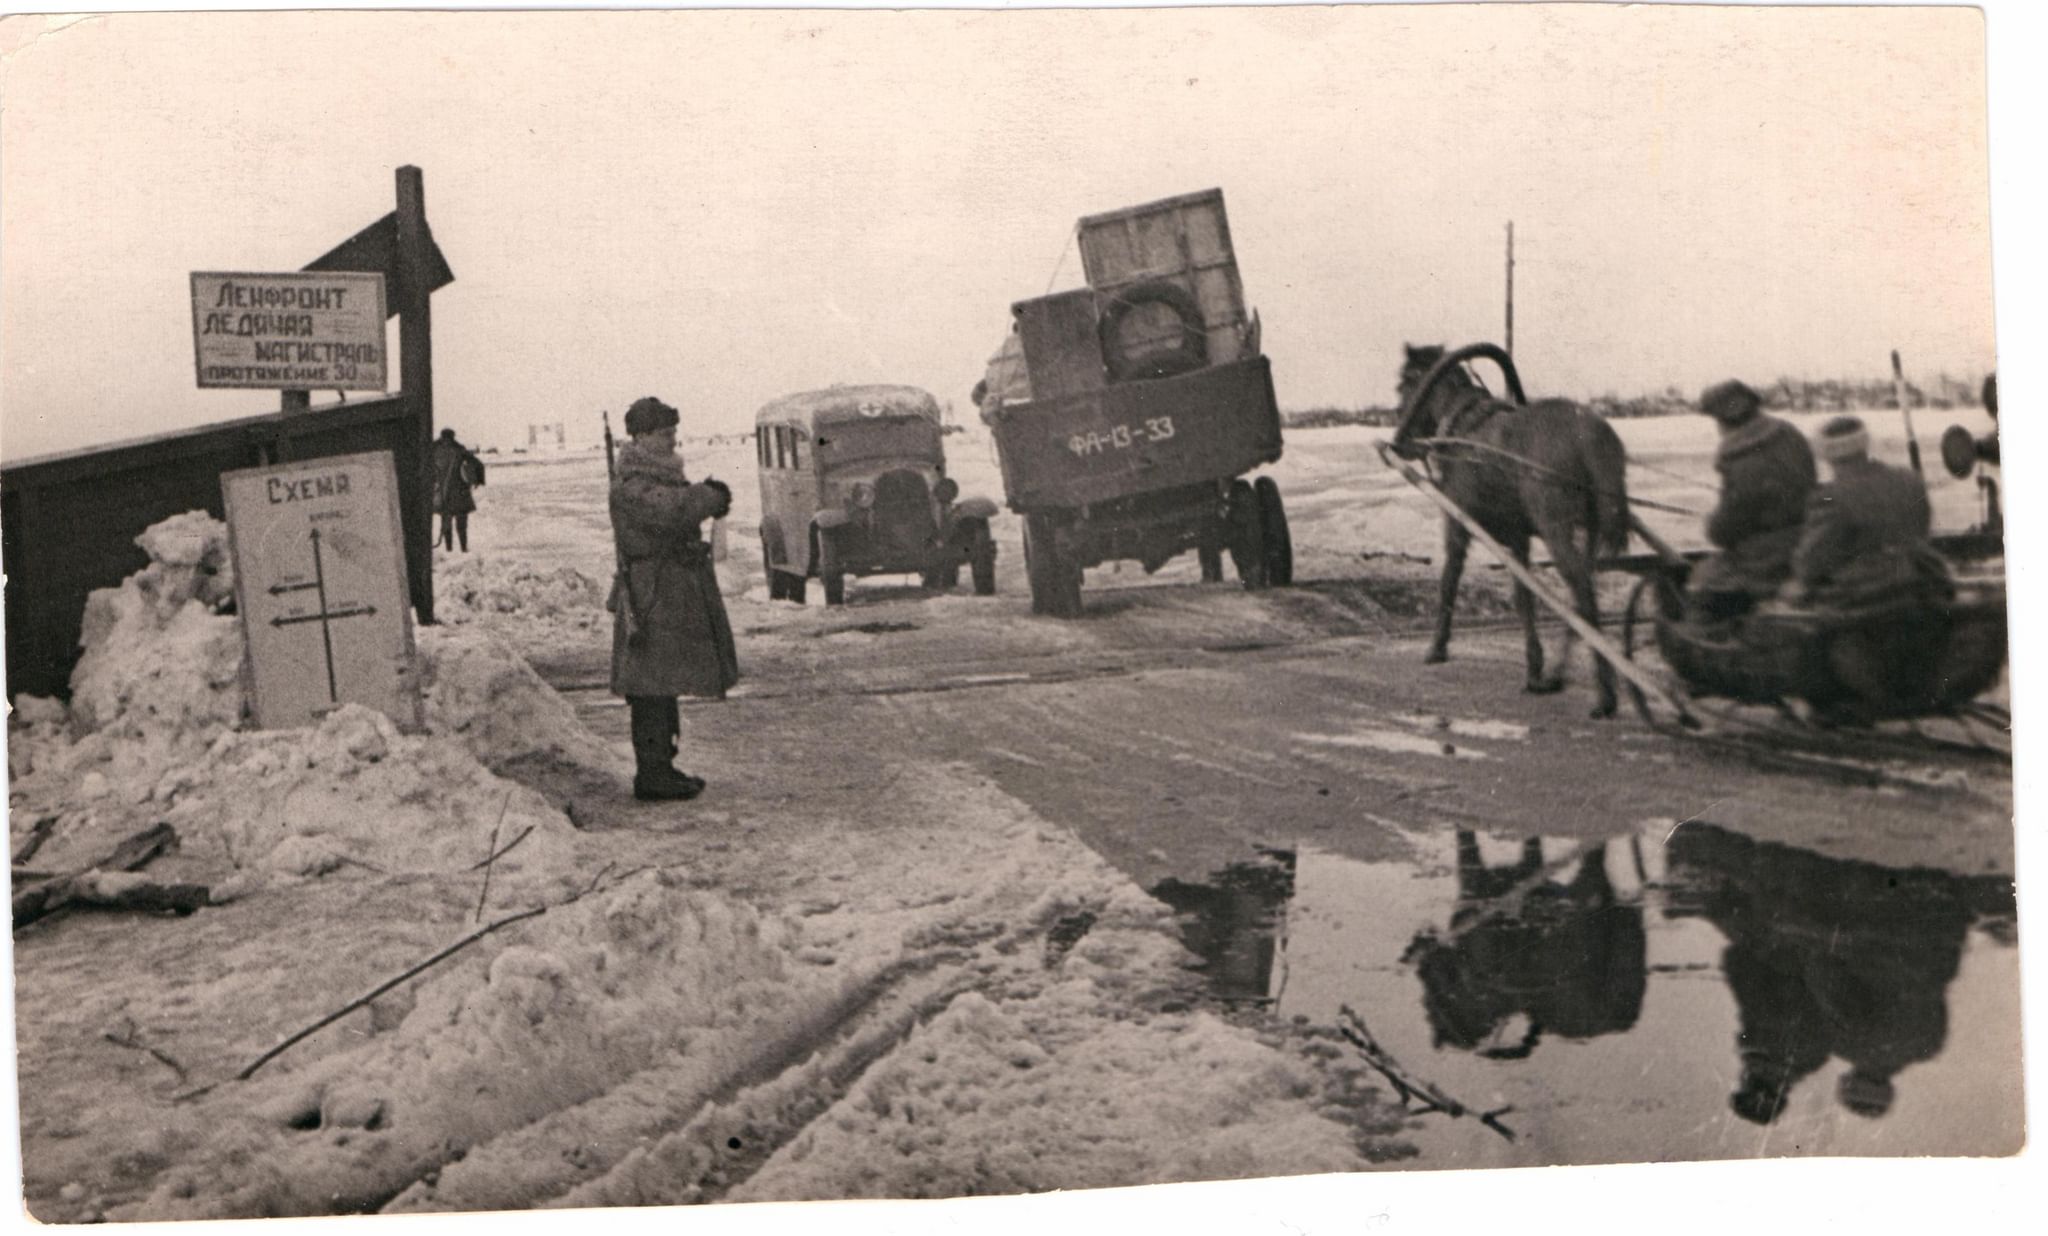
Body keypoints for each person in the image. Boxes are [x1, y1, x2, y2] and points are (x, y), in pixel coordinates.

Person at [608, 396, 739, 802]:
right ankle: (652, 773)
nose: (672, 441)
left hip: (666, 592)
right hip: (651, 597)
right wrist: (709, 496)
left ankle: (662, 765)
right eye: (664, 434)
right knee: (650, 687)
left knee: (662, 684)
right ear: (642, 436)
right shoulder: (633, 484)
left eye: (673, 433)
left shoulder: (654, 477)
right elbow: (673, 512)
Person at [1781, 416, 1950, 610]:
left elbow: (1811, 563)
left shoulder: (1829, 497)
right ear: (1865, 443)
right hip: (1924, 578)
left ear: (1824, 453)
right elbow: (1921, 531)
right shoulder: (1909, 478)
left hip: (1868, 595)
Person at [1686, 380, 1817, 622]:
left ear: (1722, 420)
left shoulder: (1738, 457)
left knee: (1701, 580)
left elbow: (1725, 530)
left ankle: (1707, 642)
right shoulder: (1789, 433)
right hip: (1809, 538)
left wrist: (1712, 524)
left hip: (1766, 558)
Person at [431, 428, 485, 552]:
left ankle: (448, 549)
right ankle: (463, 548)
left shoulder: (434, 449)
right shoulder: (459, 449)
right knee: (461, 524)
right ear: (453, 437)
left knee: (446, 524)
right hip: (460, 493)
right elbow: (477, 464)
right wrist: (477, 480)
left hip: (443, 494)